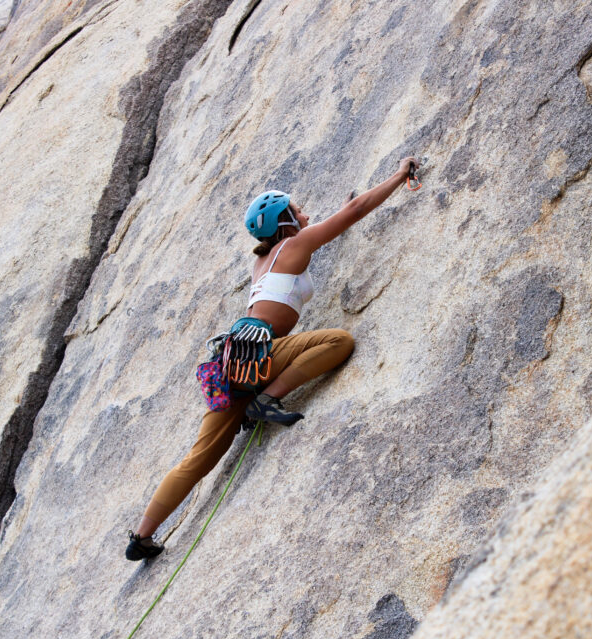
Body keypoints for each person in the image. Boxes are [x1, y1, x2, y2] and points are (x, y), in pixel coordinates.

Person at [126, 156, 418, 560]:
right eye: (296, 211)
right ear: (285, 222)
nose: (304, 213)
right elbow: (354, 213)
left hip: (234, 361)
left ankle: (141, 536)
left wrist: (340, 219)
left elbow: (332, 230)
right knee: (339, 342)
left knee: (200, 456)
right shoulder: (293, 245)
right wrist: (400, 175)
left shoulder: (261, 262)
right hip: (263, 353)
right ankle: (268, 399)